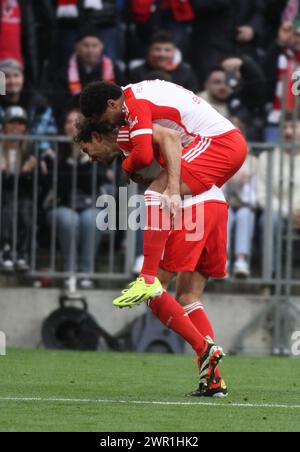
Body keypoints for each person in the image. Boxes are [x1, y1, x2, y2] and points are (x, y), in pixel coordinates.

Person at [75, 119, 227, 397]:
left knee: (153, 288)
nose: (91, 158)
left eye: (88, 149)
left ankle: (204, 348)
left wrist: (158, 183)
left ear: (97, 136)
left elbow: (169, 137)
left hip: (189, 205)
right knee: (189, 297)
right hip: (215, 200)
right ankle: (213, 380)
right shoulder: (132, 146)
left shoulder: (129, 132)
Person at [79, 80, 247, 307]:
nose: (107, 125)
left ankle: (147, 276)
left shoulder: (134, 105)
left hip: (218, 143)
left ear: (111, 104)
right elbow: (169, 141)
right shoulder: (135, 97)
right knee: (187, 296)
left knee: (155, 194)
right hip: (219, 148)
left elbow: (148, 153)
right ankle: (207, 343)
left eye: (103, 119)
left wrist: (127, 168)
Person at [42, 109, 114, 289]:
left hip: (90, 204)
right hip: (61, 205)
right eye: (68, 122)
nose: (72, 126)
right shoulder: (54, 151)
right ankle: (70, 272)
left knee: (91, 220)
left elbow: (92, 183)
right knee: (69, 219)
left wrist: (82, 158)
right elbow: (59, 186)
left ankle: (85, 273)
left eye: (77, 122)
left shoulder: (96, 149)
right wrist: (70, 161)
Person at [52, 25, 124, 125]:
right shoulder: (64, 73)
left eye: (94, 46)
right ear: (76, 47)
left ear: (102, 47)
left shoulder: (114, 70)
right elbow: (60, 103)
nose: (90, 50)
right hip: (75, 120)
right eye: (86, 45)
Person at [257, 114, 300, 273]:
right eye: (284, 128)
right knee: (268, 220)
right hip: (278, 214)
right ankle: (270, 278)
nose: (288, 132)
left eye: (293, 127)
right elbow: (262, 196)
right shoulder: (266, 157)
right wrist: (290, 213)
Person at [0, 106, 37, 271]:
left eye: (20, 123)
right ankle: (6, 249)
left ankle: (22, 252)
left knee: (24, 206)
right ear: (4, 126)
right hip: (3, 197)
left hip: (23, 197)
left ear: (25, 128)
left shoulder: (30, 149)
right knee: (8, 204)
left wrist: (27, 173)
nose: (16, 127)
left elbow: (37, 184)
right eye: (12, 123)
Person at [0, 59, 58, 152]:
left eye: (16, 76)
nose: (12, 81)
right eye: (6, 76)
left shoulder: (39, 105)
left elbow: (46, 136)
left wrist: (39, 155)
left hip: (32, 158)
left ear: (23, 78)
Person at [130, 30, 198, 92]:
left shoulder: (186, 73)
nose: (162, 54)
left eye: (167, 50)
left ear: (174, 51)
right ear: (150, 51)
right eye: (157, 49)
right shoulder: (137, 73)